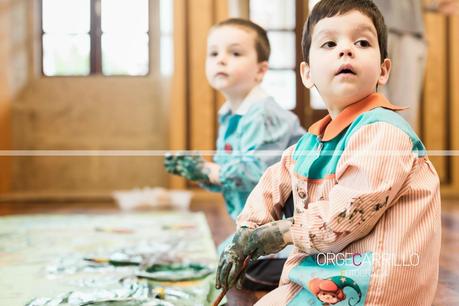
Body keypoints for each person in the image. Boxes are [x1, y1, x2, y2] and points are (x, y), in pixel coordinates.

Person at [216, 1, 441, 305]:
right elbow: (271, 184)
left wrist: (279, 232)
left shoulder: (385, 132)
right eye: (329, 43)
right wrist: (246, 232)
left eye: (361, 42)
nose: (346, 50)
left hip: (375, 287)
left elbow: (344, 220)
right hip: (326, 272)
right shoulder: (316, 139)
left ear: (384, 70)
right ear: (307, 74)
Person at [164, 18, 305, 297]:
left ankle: (304, 266)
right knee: (224, 257)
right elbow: (231, 176)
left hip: (292, 220)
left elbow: (257, 173)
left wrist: (209, 170)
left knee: (240, 271)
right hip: (260, 218)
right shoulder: (228, 113)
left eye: (235, 53)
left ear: (261, 70)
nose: (222, 60)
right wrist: (200, 173)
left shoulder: (262, 112)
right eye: (214, 53)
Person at [372, 0, 459, 133]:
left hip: (408, 33)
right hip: (374, 30)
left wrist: (433, 5)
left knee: (404, 114)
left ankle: (401, 151)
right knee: (373, 110)